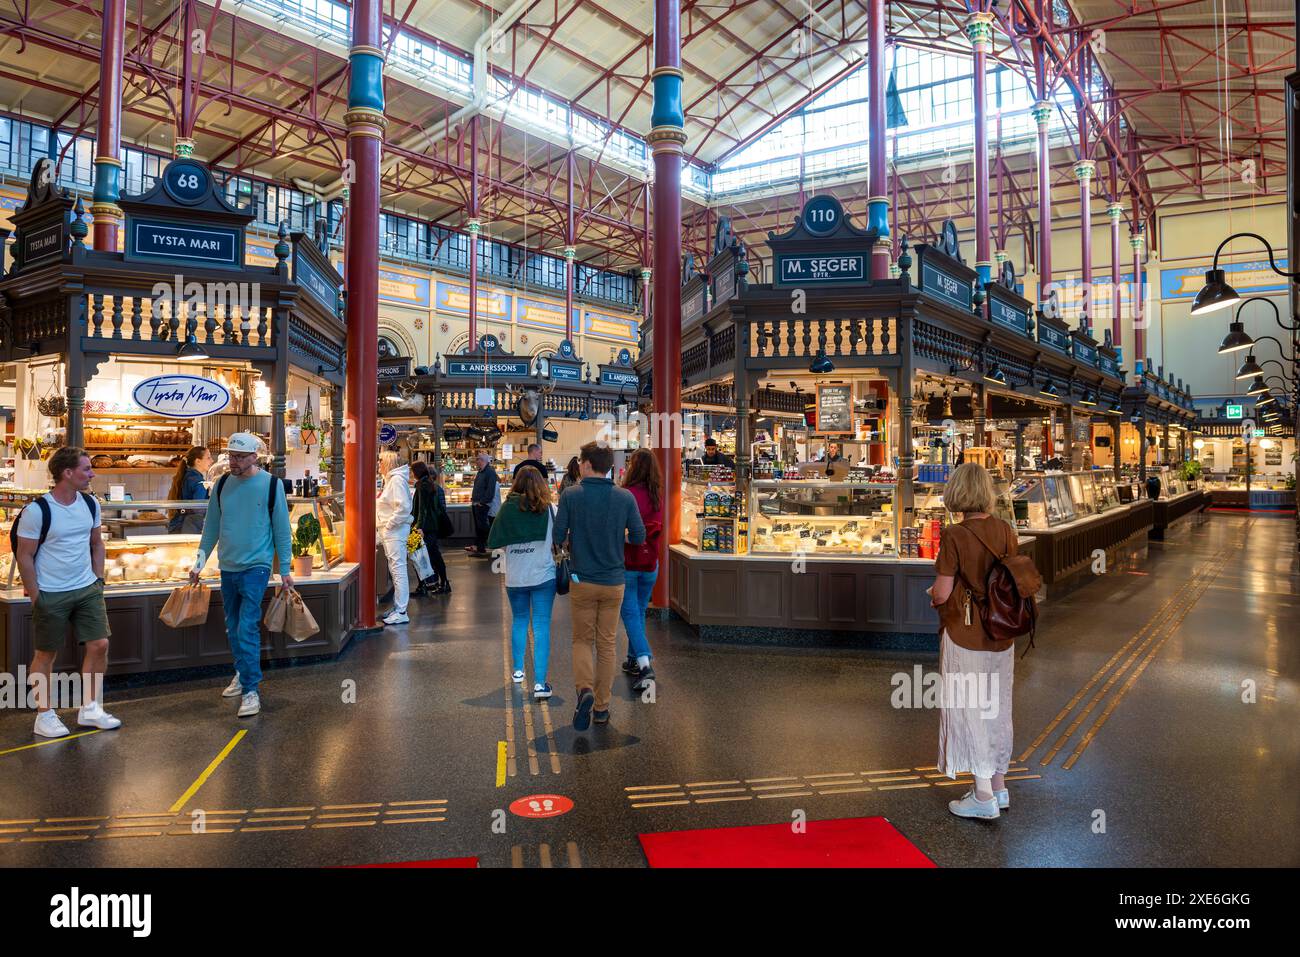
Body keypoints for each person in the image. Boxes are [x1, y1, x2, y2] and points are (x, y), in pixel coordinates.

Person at [928, 462, 1019, 821]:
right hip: (1002, 632)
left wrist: (934, 595)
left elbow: (942, 592)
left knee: (971, 708)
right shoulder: (1006, 529)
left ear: (957, 494)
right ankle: (999, 785)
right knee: (997, 707)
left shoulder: (954, 536)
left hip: (966, 635)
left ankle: (982, 796)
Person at [16, 447, 120, 738]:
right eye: (87, 469)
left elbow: (97, 543)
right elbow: (24, 555)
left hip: (87, 588)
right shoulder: (37, 511)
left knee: (99, 645)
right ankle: (44, 715)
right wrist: (37, 595)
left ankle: (90, 708)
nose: (92, 473)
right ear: (67, 473)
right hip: (50, 591)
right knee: (46, 654)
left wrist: (98, 581)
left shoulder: (89, 504)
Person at [190, 434, 293, 718]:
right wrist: (199, 563)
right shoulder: (222, 484)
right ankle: (242, 671)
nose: (232, 461)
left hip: (257, 567)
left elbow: (282, 531)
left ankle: (251, 690)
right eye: (230, 456)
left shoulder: (272, 486)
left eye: (238, 456)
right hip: (228, 566)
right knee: (232, 625)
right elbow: (211, 526)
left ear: (254, 457)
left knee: (246, 626)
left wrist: (285, 569)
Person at [553, 441, 645, 731]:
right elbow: (640, 537)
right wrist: (620, 537)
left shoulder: (571, 495)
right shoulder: (624, 497)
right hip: (614, 581)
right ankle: (602, 708)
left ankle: (585, 691)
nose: (579, 466)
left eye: (581, 462)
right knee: (607, 644)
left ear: (588, 464)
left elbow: (557, 535)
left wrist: (572, 537)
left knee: (582, 640)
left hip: (582, 580)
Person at [487, 467, 556, 700]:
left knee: (519, 620)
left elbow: (494, 541)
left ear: (516, 483)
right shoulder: (549, 510)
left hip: (515, 577)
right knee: (541, 626)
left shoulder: (507, 510)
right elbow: (559, 539)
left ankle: (517, 671)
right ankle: (539, 684)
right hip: (543, 576)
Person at [619, 448, 664, 693]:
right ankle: (632, 660)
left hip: (629, 563)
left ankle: (645, 665)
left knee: (631, 614)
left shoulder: (626, 494)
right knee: (638, 611)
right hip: (651, 564)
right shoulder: (657, 495)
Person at [376, 451, 412, 625]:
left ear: (388, 462)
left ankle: (402, 611)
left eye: (380, 461)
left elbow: (404, 507)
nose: (378, 464)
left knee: (398, 571)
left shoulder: (396, 480)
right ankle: (398, 607)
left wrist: (389, 526)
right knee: (396, 570)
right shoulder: (391, 480)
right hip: (392, 532)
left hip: (395, 533)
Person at [411, 461, 450, 595]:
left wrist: (418, 527)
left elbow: (422, 509)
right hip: (432, 526)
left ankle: (424, 586)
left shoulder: (422, 485)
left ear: (416, 472)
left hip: (424, 528)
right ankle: (442, 583)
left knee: (419, 556)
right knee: (433, 555)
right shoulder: (429, 483)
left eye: (412, 471)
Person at [167, 446, 212, 533]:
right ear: (198, 461)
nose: (212, 461)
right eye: (208, 458)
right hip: (188, 528)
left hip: (177, 525)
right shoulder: (199, 482)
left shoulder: (185, 476)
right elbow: (198, 509)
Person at [466, 452, 498, 557]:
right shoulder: (480, 472)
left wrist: (482, 502)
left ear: (483, 460)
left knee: (483, 527)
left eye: (478, 459)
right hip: (476, 503)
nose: (476, 461)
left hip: (482, 504)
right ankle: (480, 548)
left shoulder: (490, 472)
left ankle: (494, 544)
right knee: (479, 527)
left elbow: (490, 491)